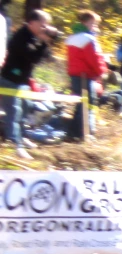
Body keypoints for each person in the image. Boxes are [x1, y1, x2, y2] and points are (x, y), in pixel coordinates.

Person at [0, 9, 55, 159]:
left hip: (23, 81)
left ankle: (21, 136)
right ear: (32, 22)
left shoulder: (33, 36)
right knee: (14, 112)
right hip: (10, 79)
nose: (45, 28)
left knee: (25, 109)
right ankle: (14, 144)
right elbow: (33, 57)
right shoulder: (21, 36)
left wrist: (47, 41)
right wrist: (42, 41)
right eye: (42, 24)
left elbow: (46, 57)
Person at [65, 10, 107, 141]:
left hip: (75, 75)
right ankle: (85, 133)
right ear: (84, 23)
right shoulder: (88, 39)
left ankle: (74, 131)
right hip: (86, 76)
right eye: (93, 24)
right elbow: (94, 59)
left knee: (80, 103)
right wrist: (102, 72)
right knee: (88, 103)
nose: (95, 27)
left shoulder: (73, 38)